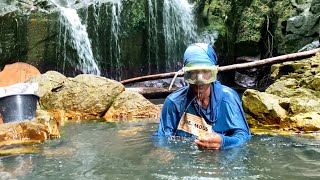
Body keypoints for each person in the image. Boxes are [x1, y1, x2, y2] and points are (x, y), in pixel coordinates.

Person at [155, 43, 251, 150]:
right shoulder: (174, 102)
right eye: (193, 73)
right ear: (185, 74)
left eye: (205, 72)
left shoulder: (228, 98)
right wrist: (163, 151)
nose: (199, 80)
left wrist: (223, 142)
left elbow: (243, 137)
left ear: (214, 72)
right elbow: (162, 138)